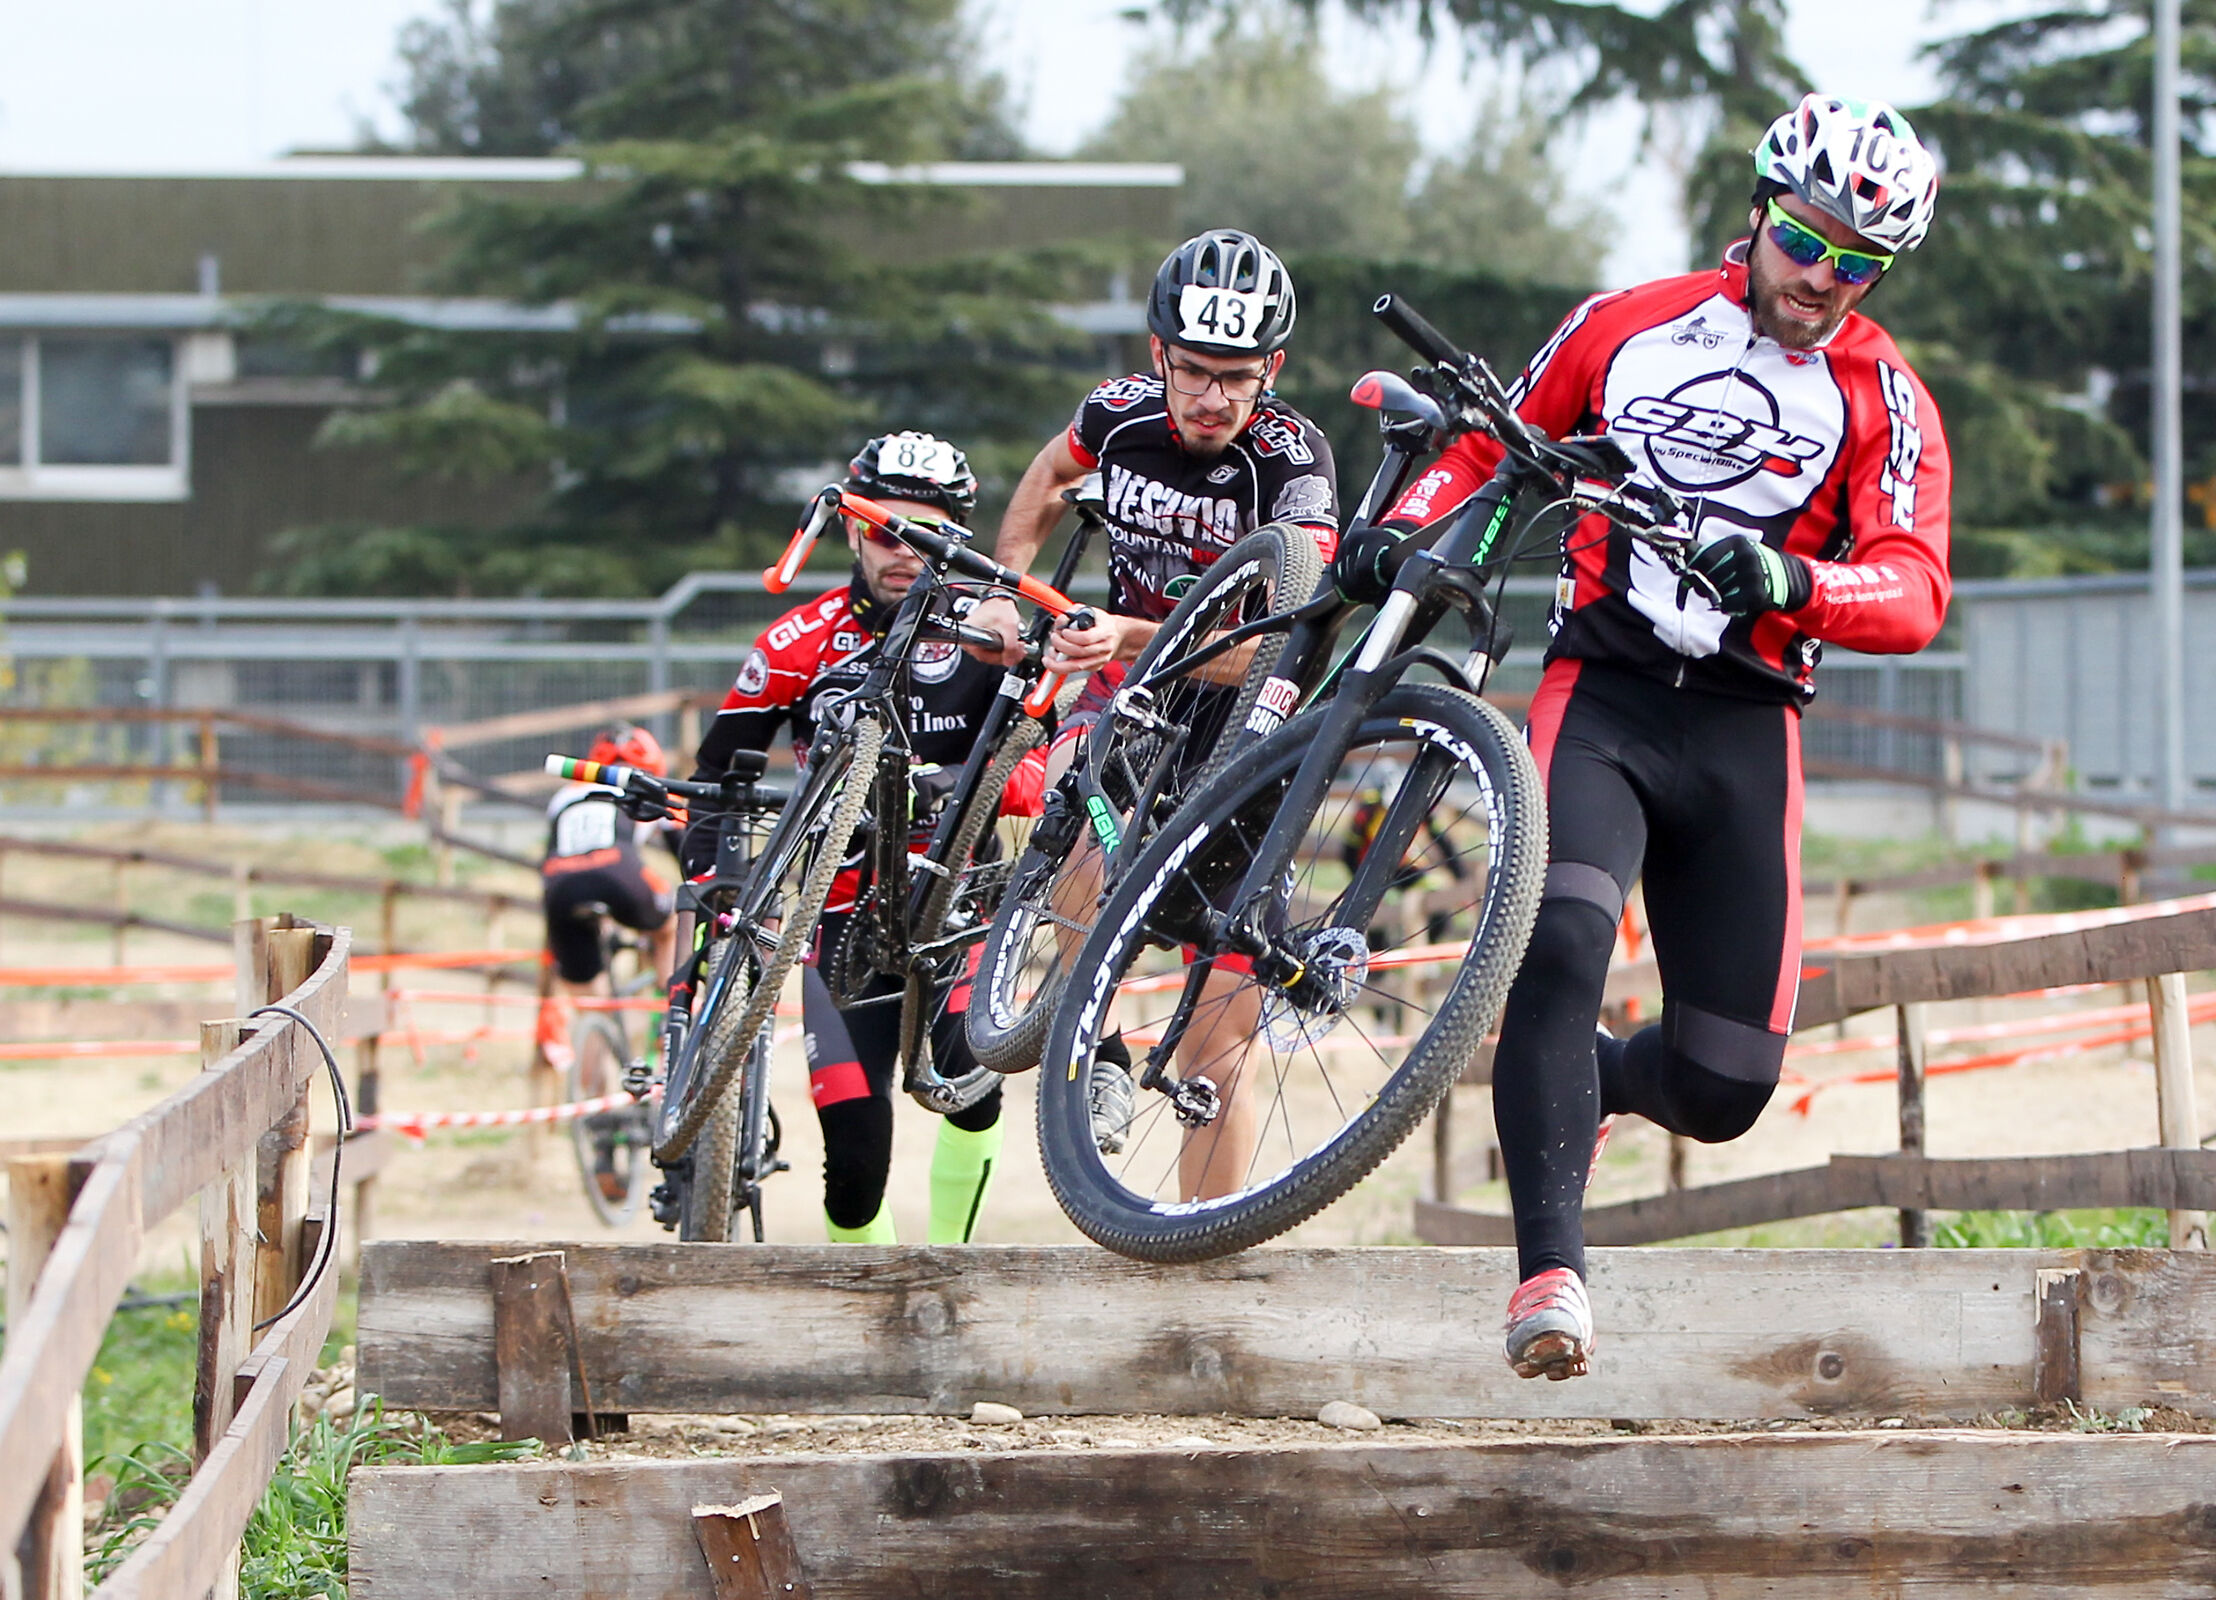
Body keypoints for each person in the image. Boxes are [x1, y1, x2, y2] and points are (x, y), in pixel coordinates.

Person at [1337, 95, 1953, 1379]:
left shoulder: (1883, 395)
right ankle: (1548, 1278)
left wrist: (1796, 585)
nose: (1822, 279)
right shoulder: (1630, 325)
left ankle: (1597, 1085)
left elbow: (1916, 586)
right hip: (1603, 689)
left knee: (1727, 1087)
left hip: (1745, 723)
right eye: (1807, 241)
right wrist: (1414, 528)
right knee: (1557, 940)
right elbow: (1489, 444)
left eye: (1859, 262)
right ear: (1761, 212)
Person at [962, 227, 1343, 1200]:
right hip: (1133, 702)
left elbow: (1283, 645)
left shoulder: (1292, 462)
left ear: (1275, 371)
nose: (1216, 397)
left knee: (1221, 1041)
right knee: (1087, 849)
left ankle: (1197, 1245)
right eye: (1197, 372)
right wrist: (1009, 587)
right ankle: (1098, 1046)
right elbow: (1050, 474)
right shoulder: (1118, 416)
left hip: (1248, 720)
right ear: (1157, 356)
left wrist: (1128, 633)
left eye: (1240, 377)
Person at [683, 432, 1046, 1245]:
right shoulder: (796, 643)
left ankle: (953, 1278)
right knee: (853, 1167)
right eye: (887, 530)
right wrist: (713, 891)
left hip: (959, 912)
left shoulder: (992, 640)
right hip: (842, 922)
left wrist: (963, 784)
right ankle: (873, 1309)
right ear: (852, 528)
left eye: (930, 535)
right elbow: (717, 780)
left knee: (970, 1090)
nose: (905, 552)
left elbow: (1044, 767)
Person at [541, 722, 678, 1004]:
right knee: (671, 923)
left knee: (592, 1004)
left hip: (559, 885)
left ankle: (596, 1031)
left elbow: (550, 854)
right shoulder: (649, 787)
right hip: (618, 873)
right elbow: (685, 850)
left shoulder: (563, 796)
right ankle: (671, 1009)